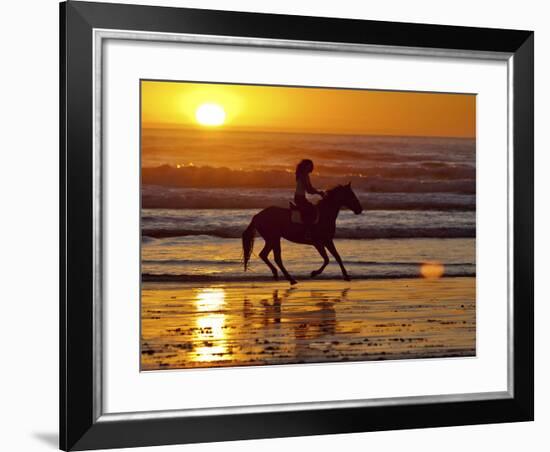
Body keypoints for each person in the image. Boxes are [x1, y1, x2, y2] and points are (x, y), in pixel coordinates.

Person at [294, 159, 325, 235]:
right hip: (299, 198)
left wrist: (318, 192)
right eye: (310, 166)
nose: (312, 167)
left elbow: (310, 188)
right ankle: (307, 231)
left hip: (301, 197)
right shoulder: (303, 176)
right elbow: (309, 190)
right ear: (306, 166)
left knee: (312, 209)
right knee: (311, 210)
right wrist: (319, 193)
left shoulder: (305, 175)